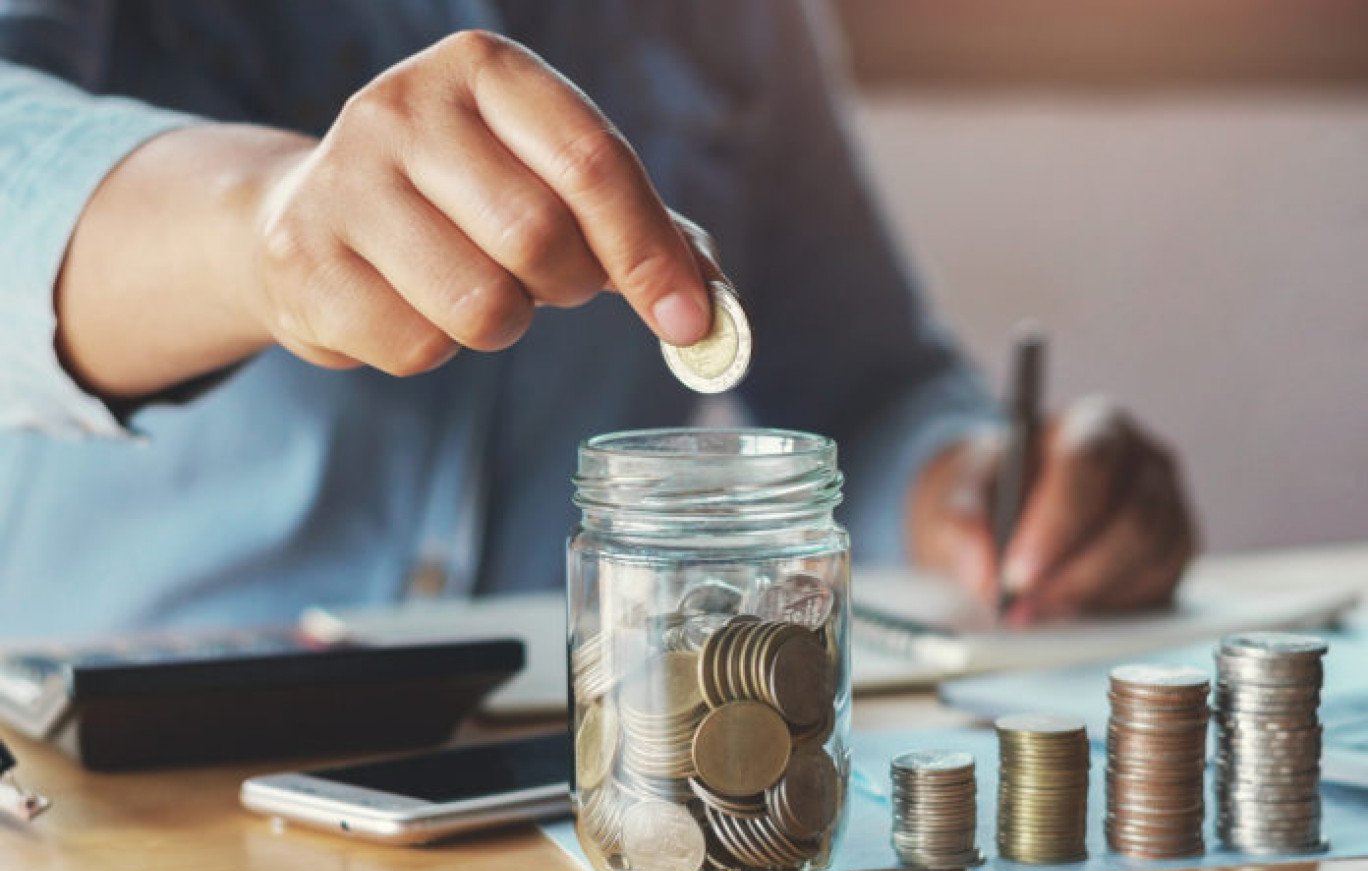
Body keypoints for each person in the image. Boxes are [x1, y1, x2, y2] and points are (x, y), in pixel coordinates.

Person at [0, 1, 1195, 636]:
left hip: (579, 783)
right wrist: (264, 224)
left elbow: (861, 393)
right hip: (134, 779)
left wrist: (965, 491)